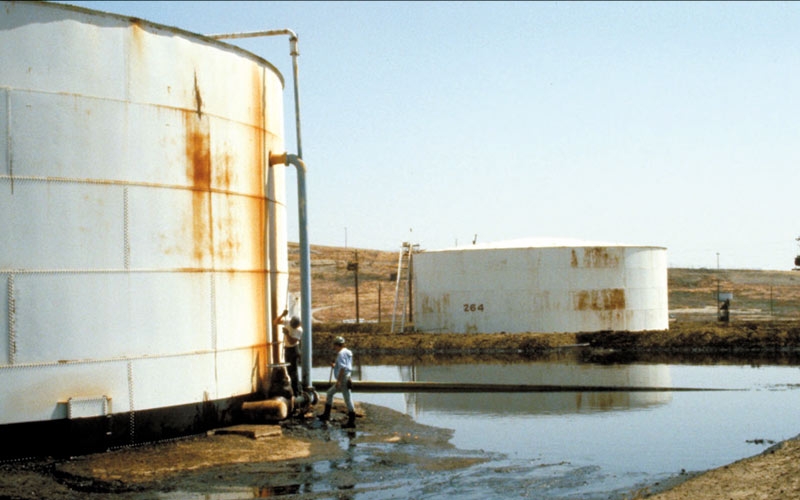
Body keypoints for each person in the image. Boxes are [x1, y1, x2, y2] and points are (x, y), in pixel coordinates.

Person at [318, 336, 356, 428]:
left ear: (337, 345)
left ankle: (351, 422)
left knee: (347, 399)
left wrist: (338, 381)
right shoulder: (347, 352)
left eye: (334, 345)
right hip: (347, 377)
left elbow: (343, 368)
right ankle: (326, 415)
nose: (334, 348)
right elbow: (345, 366)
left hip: (343, 379)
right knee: (330, 393)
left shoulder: (341, 354)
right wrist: (335, 366)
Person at [274, 309, 302, 396]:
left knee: (293, 372)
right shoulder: (288, 322)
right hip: (288, 349)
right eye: (292, 325)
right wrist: (282, 314)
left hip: (294, 349)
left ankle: (297, 392)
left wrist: (287, 333)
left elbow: (292, 342)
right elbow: (275, 322)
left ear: (298, 325)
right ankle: (295, 390)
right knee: (290, 371)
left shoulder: (299, 330)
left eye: (294, 326)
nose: (293, 327)